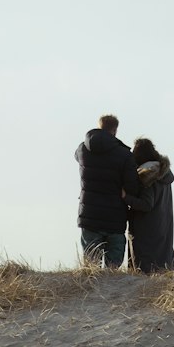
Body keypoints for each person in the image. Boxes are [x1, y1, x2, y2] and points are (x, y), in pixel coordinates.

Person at [75, 114, 140, 268]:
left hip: (89, 215)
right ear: (115, 130)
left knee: (91, 268)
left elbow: (77, 157)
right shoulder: (124, 154)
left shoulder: (82, 149)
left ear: (99, 126)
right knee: (112, 273)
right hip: (115, 218)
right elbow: (132, 187)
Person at [124, 137, 174, 273]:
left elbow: (146, 204)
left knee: (143, 277)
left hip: (145, 233)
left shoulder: (148, 174)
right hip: (162, 230)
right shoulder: (162, 173)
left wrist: (125, 197)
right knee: (160, 271)